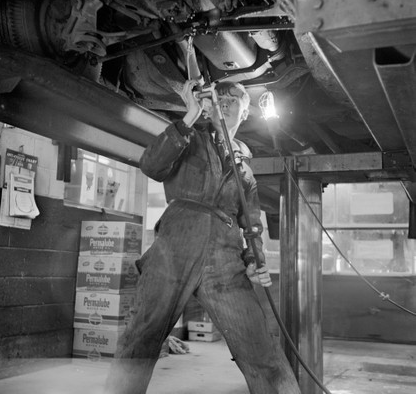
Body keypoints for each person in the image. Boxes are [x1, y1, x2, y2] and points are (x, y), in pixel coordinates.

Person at [104, 80, 301, 394]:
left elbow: (251, 222)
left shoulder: (245, 170)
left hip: (224, 256)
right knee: (140, 337)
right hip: (175, 245)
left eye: (236, 101)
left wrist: (256, 260)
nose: (232, 105)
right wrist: (188, 118)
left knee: (259, 344)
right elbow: (151, 165)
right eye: (224, 98)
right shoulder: (189, 139)